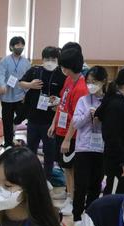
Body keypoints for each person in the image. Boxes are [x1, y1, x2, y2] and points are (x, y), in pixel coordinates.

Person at [49, 47, 87, 215]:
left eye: (64, 66)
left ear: (70, 66)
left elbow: (76, 118)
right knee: (65, 168)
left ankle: (72, 201)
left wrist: (67, 139)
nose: (61, 69)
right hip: (61, 129)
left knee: (70, 169)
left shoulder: (80, 88)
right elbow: (62, 105)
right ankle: (68, 195)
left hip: (71, 135)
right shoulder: (69, 80)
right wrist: (53, 123)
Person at [70, 66, 109, 226]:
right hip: (84, 148)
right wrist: (88, 115)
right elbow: (75, 123)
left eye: (95, 82)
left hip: (100, 148)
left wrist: (102, 119)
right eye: (88, 82)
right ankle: (77, 215)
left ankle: (90, 214)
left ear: (103, 82)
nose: (91, 85)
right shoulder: (83, 101)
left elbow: (112, 126)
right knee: (81, 183)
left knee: (96, 184)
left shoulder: (108, 101)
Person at [95, 65, 124, 195]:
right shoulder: (115, 103)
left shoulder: (122, 100)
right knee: (115, 197)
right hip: (119, 163)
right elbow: (111, 136)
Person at [20, 46, 66, 178]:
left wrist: (58, 101)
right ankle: (30, 175)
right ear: (42, 59)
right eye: (47, 59)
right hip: (33, 118)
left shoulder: (62, 75)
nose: (49, 62)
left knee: (49, 151)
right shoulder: (35, 70)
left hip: (50, 121)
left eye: (53, 59)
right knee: (31, 150)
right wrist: (30, 85)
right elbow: (20, 83)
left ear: (58, 60)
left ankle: (47, 177)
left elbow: (65, 97)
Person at [0, 36, 32, 149]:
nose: (20, 47)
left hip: (21, 95)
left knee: (24, 113)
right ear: (12, 47)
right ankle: (8, 143)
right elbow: (1, 74)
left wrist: (27, 93)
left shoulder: (27, 62)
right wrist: (2, 85)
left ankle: (16, 123)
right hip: (7, 95)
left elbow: (28, 78)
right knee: (6, 120)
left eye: (22, 45)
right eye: (18, 45)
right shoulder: (5, 60)